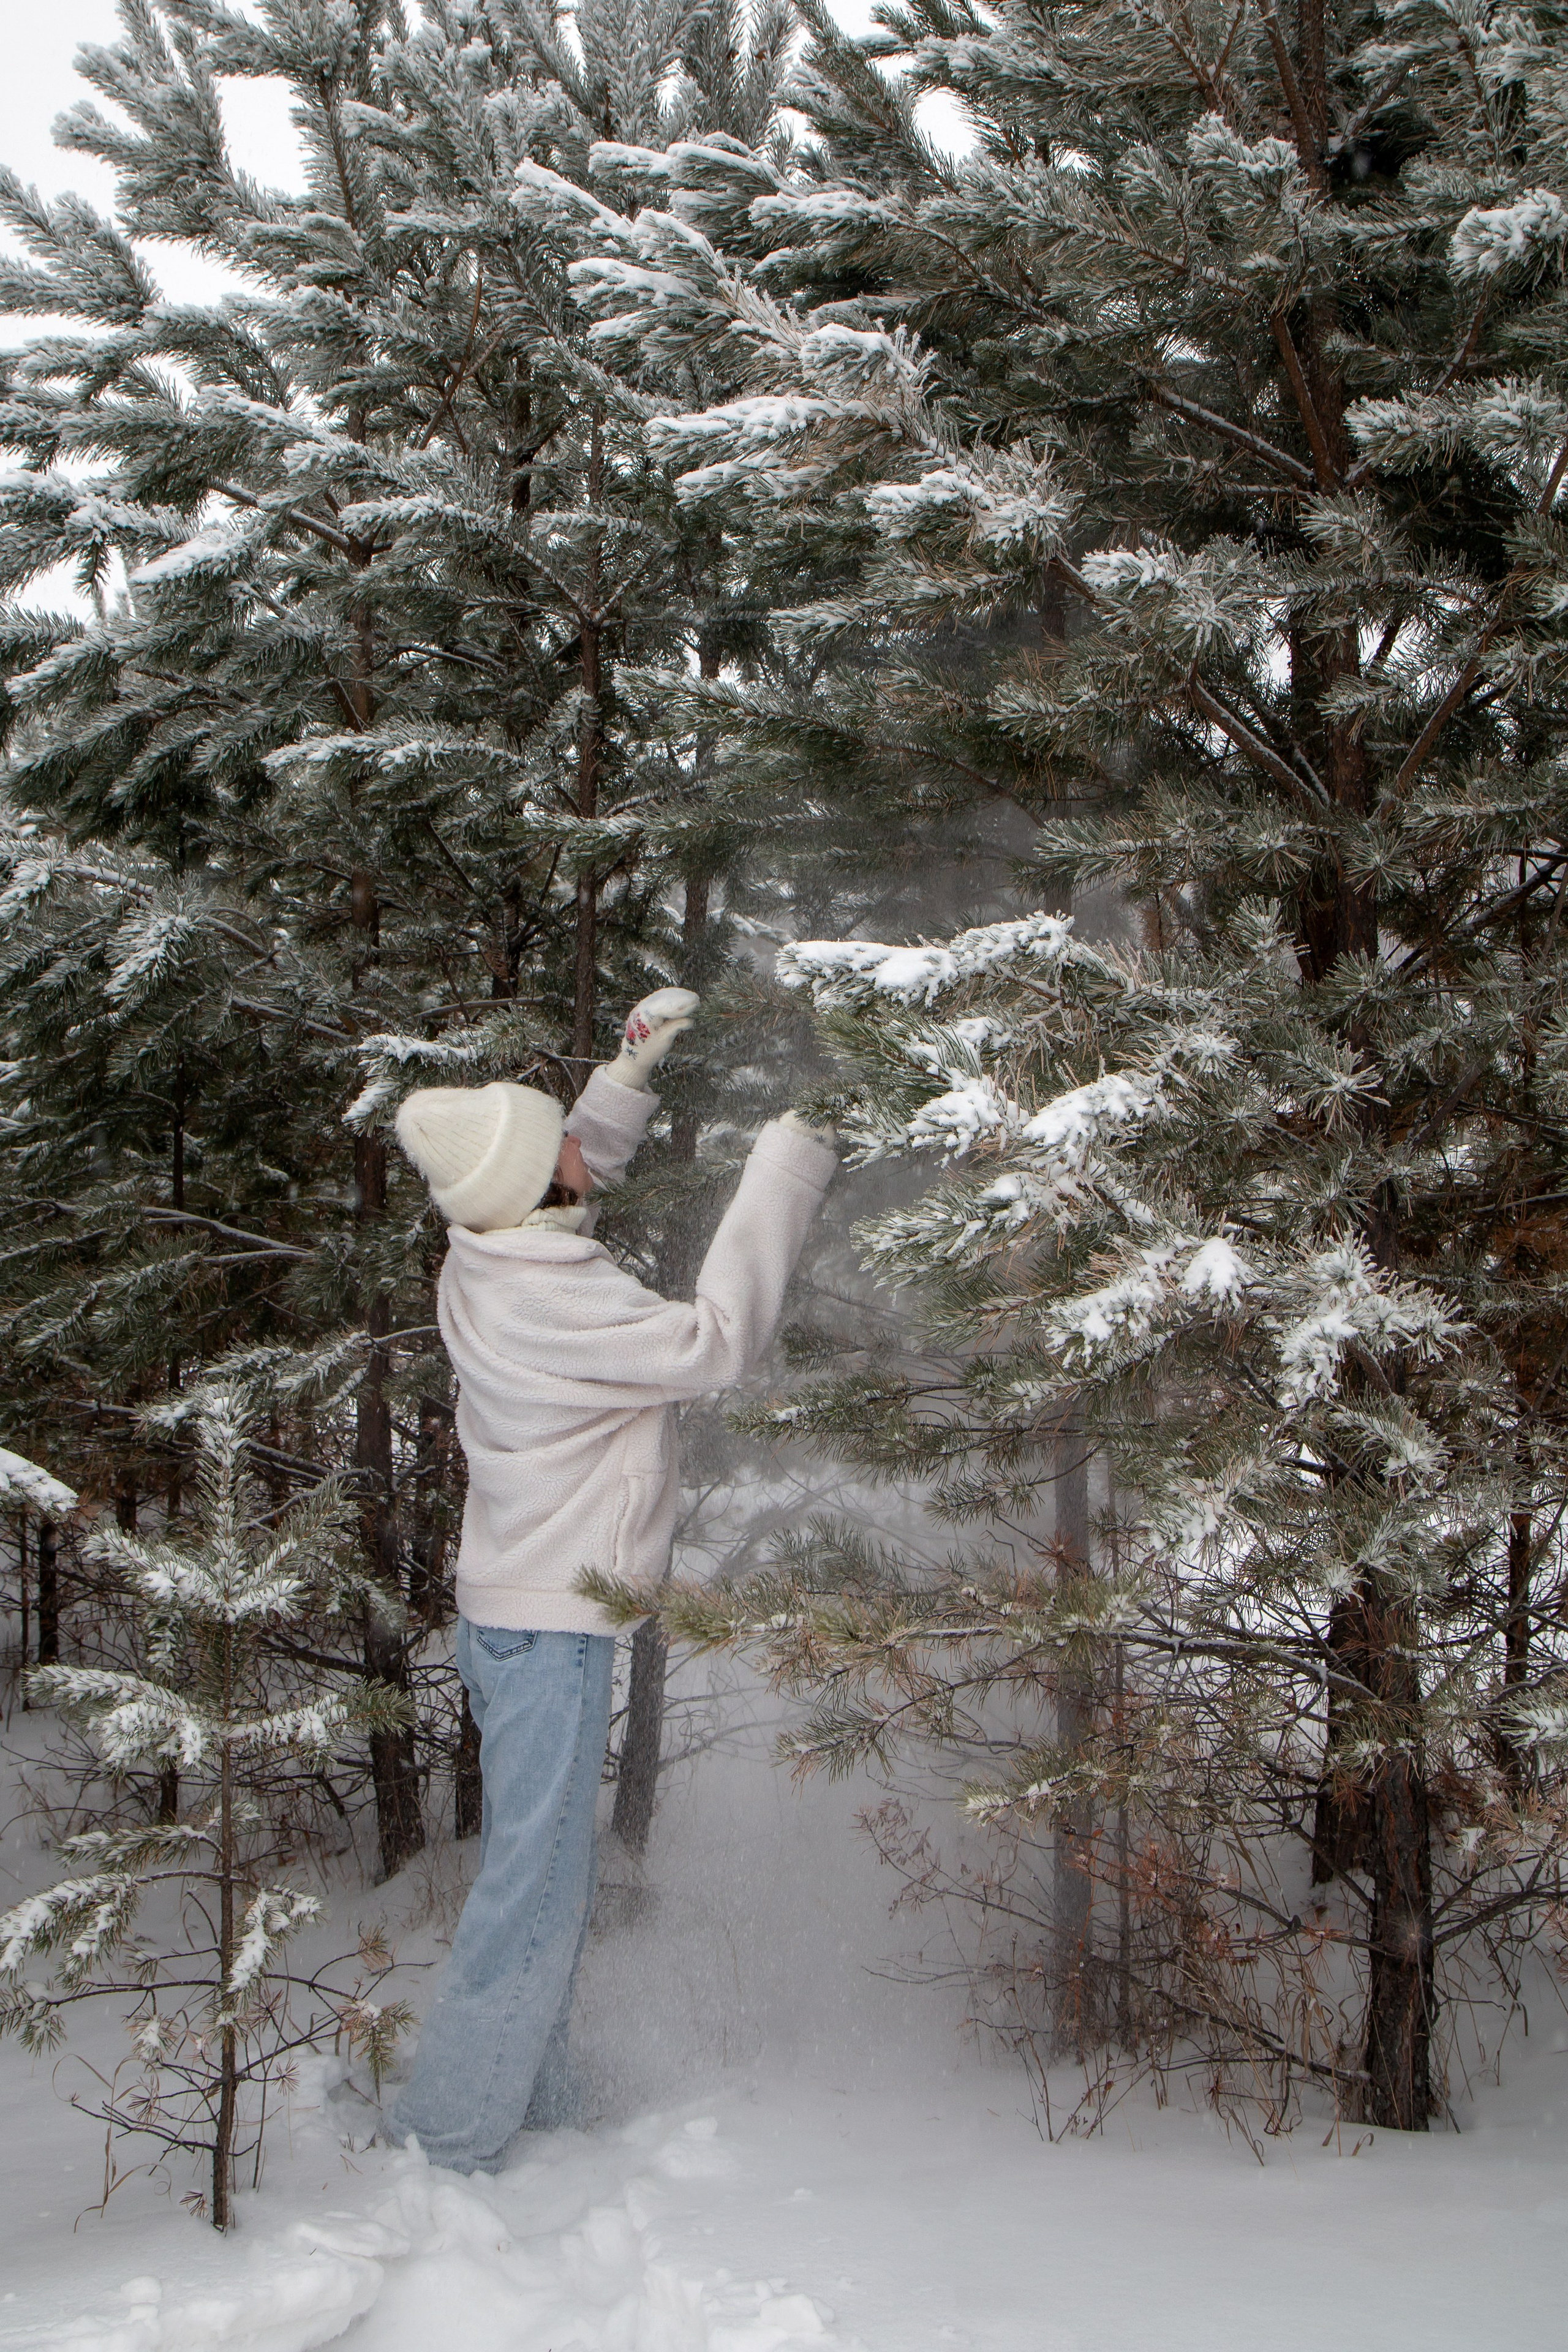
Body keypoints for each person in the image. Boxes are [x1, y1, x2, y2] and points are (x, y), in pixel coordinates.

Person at [385, 990, 839, 2174]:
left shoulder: (485, 1251)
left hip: (510, 1617)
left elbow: (557, 1171)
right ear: (543, 1188)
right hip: (551, 1631)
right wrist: (792, 1156)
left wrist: (627, 1075)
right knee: (535, 1891)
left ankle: (536, 2104)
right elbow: (712, 1344)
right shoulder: (557, 1297)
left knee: (538, 1877)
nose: (586, 1153)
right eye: (568, 1146)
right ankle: (448, 2140)